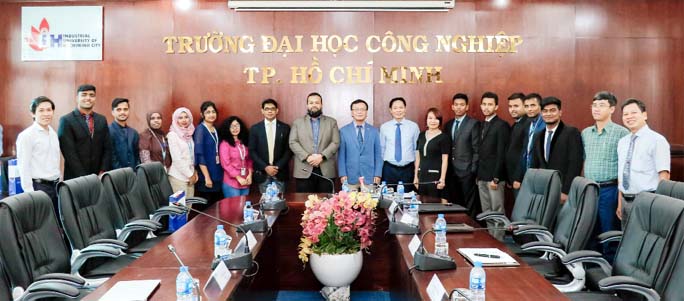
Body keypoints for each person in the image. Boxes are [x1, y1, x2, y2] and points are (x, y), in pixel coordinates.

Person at [581, 91, 629, 262]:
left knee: (608, 231)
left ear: (612, 109)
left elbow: (625, 167)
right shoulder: (586, 133)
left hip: (610, 189)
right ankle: (591, 268)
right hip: (590, 189)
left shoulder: (622, 133)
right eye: (594, 105)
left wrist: (620, 199)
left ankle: (609, 272)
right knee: (588, 229)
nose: (596, 109)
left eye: (601, 105)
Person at [617, 98, 670, 229]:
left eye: (633, 113)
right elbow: (622, 174)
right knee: (627, 241)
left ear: (644, 115)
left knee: (644, 244)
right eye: (625, 114)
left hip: (647, 200)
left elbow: (664, 176)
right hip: (625, 201)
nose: (629, 117)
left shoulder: (657, 140)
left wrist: (657, 205)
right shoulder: (622, 142)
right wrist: (620, 202)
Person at [531, 97, 583, 203]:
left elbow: (575, 164)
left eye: (552, 110)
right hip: (542, 189)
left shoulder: (571, 133)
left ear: (560, 112)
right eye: (545, 111)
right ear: (541, 114)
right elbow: (535, 164)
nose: (548, 114)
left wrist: (566, 191)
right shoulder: (538, 135)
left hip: (562, 190)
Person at [16, 96, 61, 215]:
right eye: (41, 110)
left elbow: (55, 160)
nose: (46, 113)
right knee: (45, 224)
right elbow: (23, 167)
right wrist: (30, 194)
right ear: (33, 113)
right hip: (39, 187)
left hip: (55, 186)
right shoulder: (26, 136)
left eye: (49, 110)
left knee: (57, 223)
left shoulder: (53, 133)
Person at [58, 84, 112, 180]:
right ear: (77, 98)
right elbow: (69, 154)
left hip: (98, 177)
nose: (88, 98)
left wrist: (103, 171)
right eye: (84, 95)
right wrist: (84, 177)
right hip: (75, 179)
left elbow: (107, 148)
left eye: (91, 95)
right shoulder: (66, 120)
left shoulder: (102, 120)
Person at [476, 92, 510, 241]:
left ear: (496, 106)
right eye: (484, 104)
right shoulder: (482, 124)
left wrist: (496, 178)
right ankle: (491, 239)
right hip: (482, 176)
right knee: (487, 212)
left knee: (497, 211)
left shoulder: (502, 125)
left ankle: (499, 240)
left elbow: (502, 153)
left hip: (494, 177)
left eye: (490, 104)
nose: (486, 107)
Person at [289, 92, 340, 193]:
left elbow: (335, 142)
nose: (314, 105)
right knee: (304, 204)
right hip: (304, 169)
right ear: (307, 105)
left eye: (317, 102)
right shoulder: (297, 122)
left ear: (321, 105)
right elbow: (292, 142)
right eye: (311, 102)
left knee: (326, 203)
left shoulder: (331, 122)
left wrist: (321, 156)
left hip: (326, 169)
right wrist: (307, 157)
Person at [444, 93, 480, 216]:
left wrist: (473, 171)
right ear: (452, 106)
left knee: (469, 203)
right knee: (455, 202)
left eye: (462, 105)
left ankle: (471, 229)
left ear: (467, 107)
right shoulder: (448, 125)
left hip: (467, 171)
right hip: (451, 171)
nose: (459, 107)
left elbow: (476, 149)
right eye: (456, 105)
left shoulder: (473, 123)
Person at [248, 99, 292, 193]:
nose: (270, 111)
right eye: (267, 109)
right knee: (264, 203)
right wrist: (265, 167)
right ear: (262, 111)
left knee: (279, 203)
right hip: (262, 172)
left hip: (280, 172)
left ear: (277, 111)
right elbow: (252, 151)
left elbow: (289, 150)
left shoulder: (285, 128)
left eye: (272, 109)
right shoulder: (255, 129)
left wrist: (277, 166)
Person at [338, 99, 383, 191]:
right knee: (350, 204)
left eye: (362, 109)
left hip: (369, 176)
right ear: (352, 112)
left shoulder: (374, 131)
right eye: (356, 109)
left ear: (366, 112)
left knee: (370, 204)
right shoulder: (344, 131)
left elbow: (378, 155)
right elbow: (341, 155)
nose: (359, 112)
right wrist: (342, 174)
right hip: (350, 177)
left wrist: (377, 174)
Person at [379, 97, 420, 192]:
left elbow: (416, 150)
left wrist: (416, 172)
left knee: (407, 198)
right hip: (389, 168)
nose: (398, 110)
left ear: (405, 109)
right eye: (395, 108)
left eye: (401, 107)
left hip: (408, 169)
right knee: (388, 199)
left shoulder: (413, 126)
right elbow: (382, 149)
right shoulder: (384, 127)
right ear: (391, 110)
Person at [413, 108, 449, 201]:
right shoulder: (421, 135)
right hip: (422, 175)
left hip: (435, 177)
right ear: (426, 120)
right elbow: (418, 157)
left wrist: (442, 179)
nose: (433, 121)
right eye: (430, 118)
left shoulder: (444, 138)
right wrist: (416, 176)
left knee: (434, 204)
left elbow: (445, 160)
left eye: (436, 118)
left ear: (440, 121)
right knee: (422, 203)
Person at [513, 93, 545, 190]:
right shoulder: (528, 124)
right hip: (527, 173)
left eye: (533, 105)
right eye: (526, 106)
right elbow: (524, 152)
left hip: (541, 175)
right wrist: (518, 177)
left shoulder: (545, 124)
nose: (529, 109)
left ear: (540, 106)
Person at [194, 101, 223, 204]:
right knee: (207, 209)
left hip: (216, 173)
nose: (211, 114)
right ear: (202, 114)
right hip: (206, 175)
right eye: (208, 112)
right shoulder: (200, 130)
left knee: (217, 206)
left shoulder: (215, 129)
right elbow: (199, 155)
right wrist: (207, 177)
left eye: (213, 112)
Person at [219, 116, 253, 197]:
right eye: (232, 126)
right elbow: (226, 164)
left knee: (244, 207)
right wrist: (238, 177)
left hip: (245, 181)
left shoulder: (243, 142)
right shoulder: (225, 144)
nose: (235, 128)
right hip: (232, 182)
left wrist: (250, 175)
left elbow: (249, 160)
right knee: (234, 208)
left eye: (237, 125)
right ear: (227, 128)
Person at [167, 107, 198, 197]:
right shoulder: (172, 135)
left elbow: (191, 155)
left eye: (186, 117)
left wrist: (194, 172)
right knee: (178, 209)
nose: (184, 120)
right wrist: (190, 175)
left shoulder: (190, 133)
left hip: (190, 175)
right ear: (176, 120)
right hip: (178, 177)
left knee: (188, 208)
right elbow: (177, 159)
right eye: (180, 118)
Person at [504, 92, 529, 198]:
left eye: (516, 106)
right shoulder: (516, 124)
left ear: (525, 106)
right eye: (510, 106)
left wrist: (518, 178)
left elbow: (524, 153)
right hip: (513, 178)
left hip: (522, 179)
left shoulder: (528, 124)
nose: (512, 109)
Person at [109, 98, 140, 169]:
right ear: (113, 112)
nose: (122, 112)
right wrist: (123, 173)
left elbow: (137, 155)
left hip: (133, 174)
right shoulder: (108, 131)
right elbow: (111, 157)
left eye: (125, 109)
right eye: (119, 109)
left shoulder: (134, 133)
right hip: (116, 175)